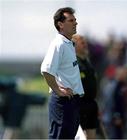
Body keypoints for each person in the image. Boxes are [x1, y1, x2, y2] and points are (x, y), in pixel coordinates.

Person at [40, 7, 84, 139]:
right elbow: (46, 70)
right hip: (63, 102)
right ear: (60, 24)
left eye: (75, 20)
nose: (75, 23)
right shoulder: (58, 44)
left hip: (72, 102)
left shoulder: (68, 43)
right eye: (71, 20)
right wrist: (58, 90)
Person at [72, 34, 99, 139]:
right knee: (80, 137)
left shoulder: (87, 62)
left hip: (91, 105)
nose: (85, 44)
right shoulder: (74, 62)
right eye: (81, 42)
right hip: (80, 104)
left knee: (91, 137)